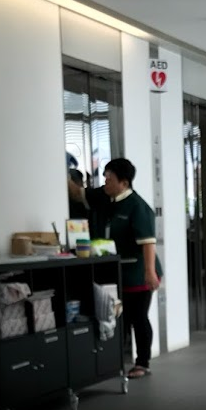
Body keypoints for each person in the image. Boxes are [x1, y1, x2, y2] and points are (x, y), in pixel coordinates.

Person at [87, 158, 162, 378]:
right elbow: (80, 194)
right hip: (117, 273)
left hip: (139, 273)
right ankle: (115, 362)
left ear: (124, 182)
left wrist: (149, 272)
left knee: (138, 317)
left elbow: (148, 243)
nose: (105, 182)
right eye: (105, 178)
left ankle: (143, 363)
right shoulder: (108, 201)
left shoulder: (137, 206)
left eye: (109, 179)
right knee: (121, 318)